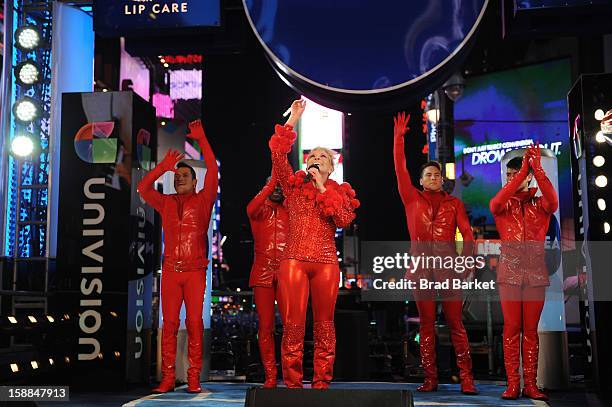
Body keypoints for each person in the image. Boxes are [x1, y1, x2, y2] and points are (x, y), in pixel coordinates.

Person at [269, 99, 360, 389]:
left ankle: (322, 381)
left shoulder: (340, 193)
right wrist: (293, 118)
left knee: (324, 325)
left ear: (332, 166)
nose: (317, 158)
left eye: (323, 156)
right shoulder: (293, 188)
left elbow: (344, 219)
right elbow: (277, 154)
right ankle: (293, 384)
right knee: (294, 325)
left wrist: (322, 187)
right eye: (313, 156)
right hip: (294, 259)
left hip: (326, 264)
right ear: (306, 163)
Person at [393, 112, 478, 395]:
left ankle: (466, 378)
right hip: (421, 269)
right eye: (428, 174)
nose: (433, 177)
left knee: (456, 323)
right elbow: (399, 168)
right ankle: (430, 379)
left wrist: (466, 261)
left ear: (442, 179)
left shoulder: (454, 204)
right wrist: (398, 139)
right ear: (420, 180)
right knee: (427, 325)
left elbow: (467, 234)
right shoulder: (410, 198)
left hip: (448, 269)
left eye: (437, 174)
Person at [137, 120, 218, 394]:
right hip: (171, 270)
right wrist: (161, 168)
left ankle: (193, 377)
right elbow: (143, 189)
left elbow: (214, 169)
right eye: (176, 175)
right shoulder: (166, 202)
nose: (180, 177)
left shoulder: (204, 200)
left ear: (196, 182)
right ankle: (168, 377)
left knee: (194, 323)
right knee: (169, 324)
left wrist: (202, 139)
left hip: (195, 271)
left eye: (186, 175)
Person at [490, 144, 557, 401]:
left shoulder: (541, 205)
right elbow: (496, 201)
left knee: (530, 330)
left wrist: (536, 168)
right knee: (512, 328)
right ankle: (512, 384)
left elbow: (553, 200)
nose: (510, 179)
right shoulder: (502, 206)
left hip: (535, 274)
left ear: (529, 176)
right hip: (509, 274)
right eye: (508, 175)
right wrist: (521, 173)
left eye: (515, 174)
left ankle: (530, 384)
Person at [247, 176, 289, 388]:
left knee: (292, 326)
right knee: (265, 327)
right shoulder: (259, 210)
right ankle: (270, 375)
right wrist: (270, 185)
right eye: (273, 185)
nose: (277, 189)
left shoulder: (291, 210)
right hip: (262, 272)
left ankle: (291, 375)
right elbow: (250, 207)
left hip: (286, 273)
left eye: (280, 186)